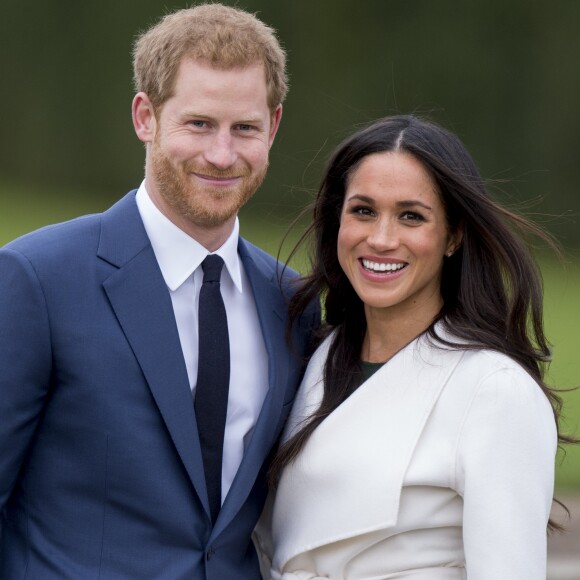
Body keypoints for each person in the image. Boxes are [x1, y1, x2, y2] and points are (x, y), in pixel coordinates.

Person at [0, 4, 319, 579]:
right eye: (198, 124)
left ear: (272, 127)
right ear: (145, 117)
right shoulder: (37, 278)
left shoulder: (291, 301)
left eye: (243, 128)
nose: (222, 155)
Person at [254, 115, 569, 579]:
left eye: (411, 216)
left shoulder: (495, 390)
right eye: (363, 210)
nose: (381, 239)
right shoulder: (310, 355)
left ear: (453, 235)